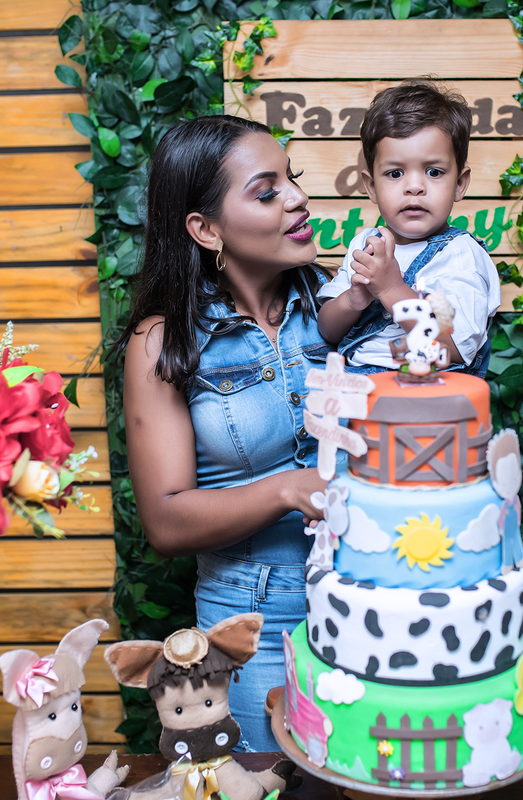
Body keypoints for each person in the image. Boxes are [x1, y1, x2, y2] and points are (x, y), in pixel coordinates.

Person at [116, 115, 331, 752]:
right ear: (206, 229)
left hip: (369, 595)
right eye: (267, 192)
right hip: (254, 619)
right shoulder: (162, 343)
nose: (298, 198)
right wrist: (288, 489)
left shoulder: (341, 303)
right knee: (269, 784)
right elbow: (165, 522)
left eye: (292, 179)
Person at [316, 79, 501, 376]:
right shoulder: (366, 244)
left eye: (433, 171)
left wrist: (391, 289)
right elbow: (327, 331)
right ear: (371, 186)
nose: (414, 186)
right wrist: (352, 300)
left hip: (429, 389)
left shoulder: (460, 256)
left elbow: (454, 348)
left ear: (459, 183)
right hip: (358, 386)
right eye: (395, 173)